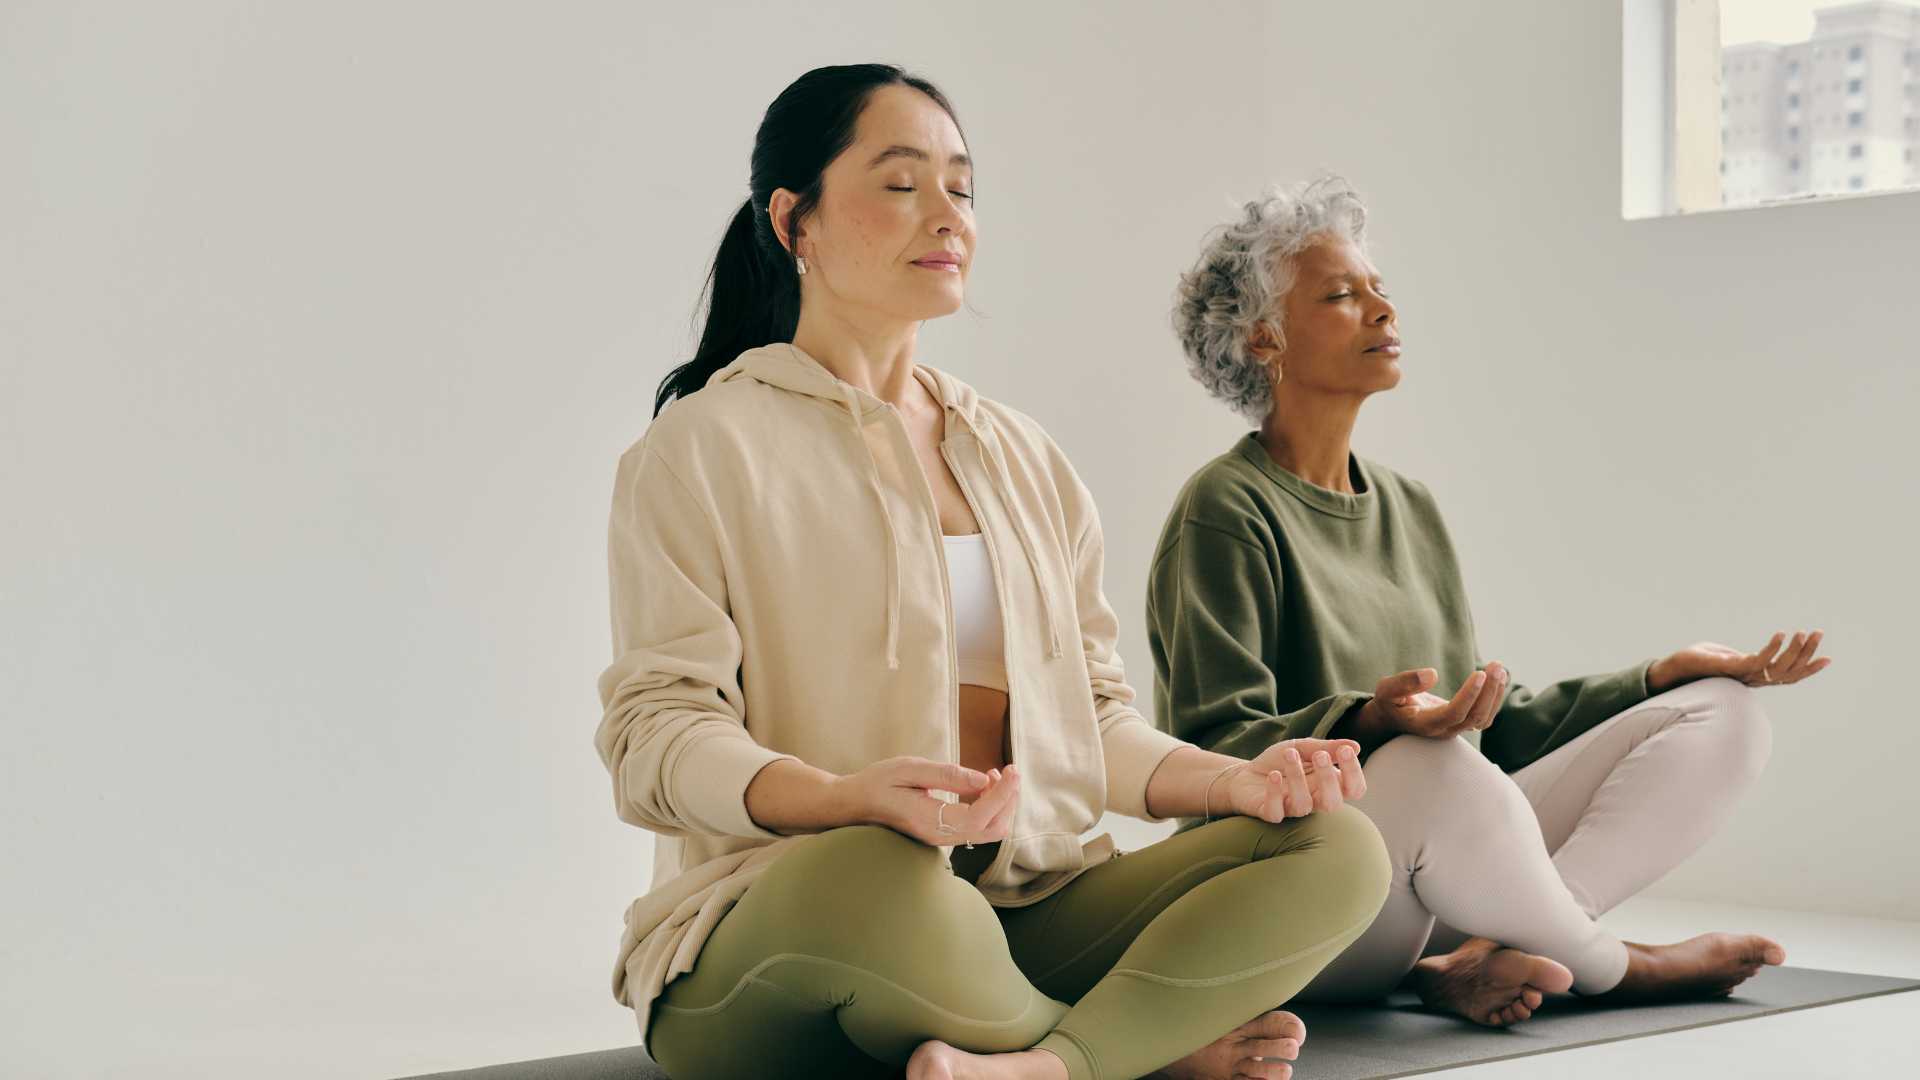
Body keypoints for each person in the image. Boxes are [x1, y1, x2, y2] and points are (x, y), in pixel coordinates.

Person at [595, 67, 1392, 1080]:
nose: (947, 215)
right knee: (885, 877)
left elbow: (1094, 720)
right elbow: (656, 736)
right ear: (794, 220)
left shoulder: (1021, 456)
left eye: (962, 188)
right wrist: (845, 798)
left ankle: (1041, 1065)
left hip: (1022, 910)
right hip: (789, 926)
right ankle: (1134, 1051)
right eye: (901, 183)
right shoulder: (701, 448)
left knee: (1335, 847)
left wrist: (1240, 781)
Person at [1148, 174, 1828, 1028]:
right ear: (1263, 343)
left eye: (1379, 291)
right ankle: (1615, 967)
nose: (1383, 313)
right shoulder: (1223, 509)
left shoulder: (1412, 507)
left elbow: (1488, 728)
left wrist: (1659, 674)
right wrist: (1371, 722)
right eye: (1342, 296)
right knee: (1433, 766)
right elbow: (1211, 749)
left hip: (1438, 872)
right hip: (1302, 895)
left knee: (1723, 714)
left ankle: (1505, 952)